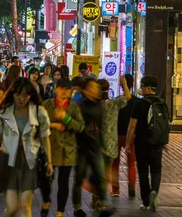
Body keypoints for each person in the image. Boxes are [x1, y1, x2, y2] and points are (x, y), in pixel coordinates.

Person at [0, 77, 54, 217]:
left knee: (25, 206)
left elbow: (45, 137)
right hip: (8, 162)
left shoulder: (39, 112)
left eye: (25, 95)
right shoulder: (3, 112)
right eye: (18, 94)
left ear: (31, 95)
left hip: (30, 162)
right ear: (12, 93)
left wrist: (49, 162)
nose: (21, 98)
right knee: (12, 208)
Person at [41, 78, 84, 217]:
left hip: (68, 150)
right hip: (50, 148)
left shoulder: (73, 107)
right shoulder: (47, 105)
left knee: (63, 183)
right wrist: (53, 125)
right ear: (56, 88)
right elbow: (37, 124)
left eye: (67, 88)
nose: (64, 91)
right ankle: (46, 201)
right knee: (46, 180)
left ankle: (60, 211)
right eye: (62, 88)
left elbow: (80, 127)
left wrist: (66, 119)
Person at [126, 75, 170, 211]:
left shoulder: (139, 103)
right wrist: (163, 140)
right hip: (157, 143)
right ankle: (154, 191)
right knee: (156, 170)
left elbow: (132, 125)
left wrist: (128, 143)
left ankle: (145, 202)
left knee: (143, 172)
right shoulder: (162, 103)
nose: (141, 89)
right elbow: (165, 125)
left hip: (142, 143)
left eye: (142, 86)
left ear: (148, 87)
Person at [72, 78, 112, 217]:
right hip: (81, 147)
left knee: (101, 177)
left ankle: (103, 205)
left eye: (97, 88)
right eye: (94, 88)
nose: (97, 90)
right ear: (85, 90)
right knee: (79, 178)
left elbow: (99, 127)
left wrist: (102, 145)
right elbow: (76, 127)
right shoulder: (79, 107)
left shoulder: (99, 106)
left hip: (95, 147)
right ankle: (77, 208)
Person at [91, 77, 131, 207]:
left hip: (97, 143)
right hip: (111, 143)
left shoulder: (94, 105)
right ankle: (101, 200)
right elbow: (128, 97)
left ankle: (96, 196)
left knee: (97, 172)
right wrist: (124, 84)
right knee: (106, 173)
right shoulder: (114, 103)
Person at [111, 74, 137, 198]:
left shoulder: (117, 100)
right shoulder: (137, 101)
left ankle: (115, 190)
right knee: (131, 163)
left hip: (117, 134)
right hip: (131, 136)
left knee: (115, 163)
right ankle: (131, 188)